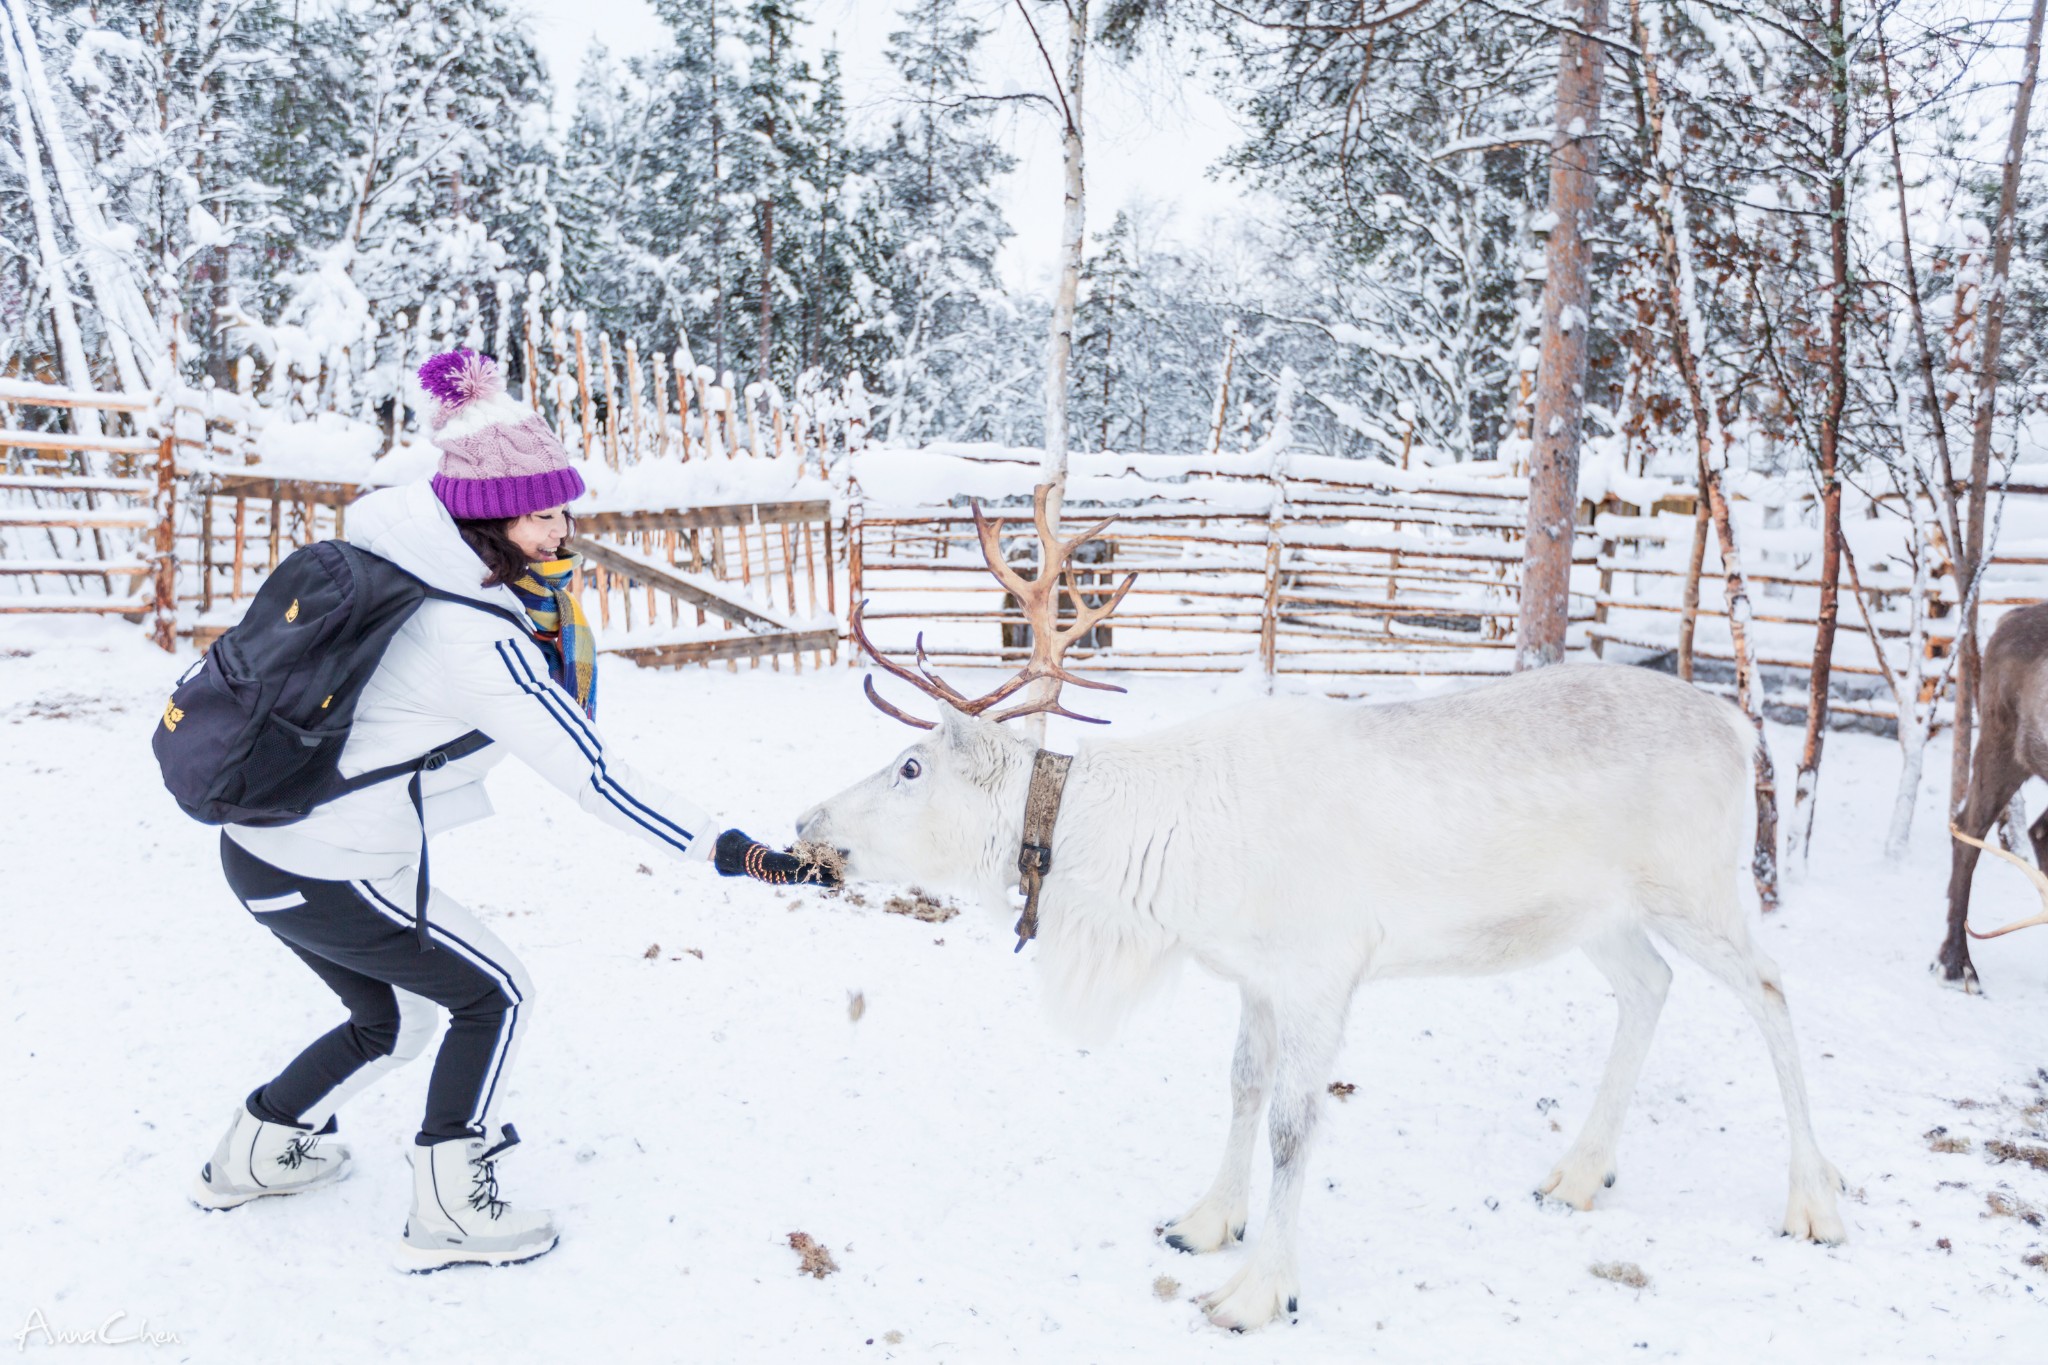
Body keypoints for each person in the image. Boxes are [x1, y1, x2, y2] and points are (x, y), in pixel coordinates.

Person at [192, 349, 833, 1271]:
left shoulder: (404, 558)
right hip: (329, 868)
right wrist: (736, 852)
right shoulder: (471, 634)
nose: (562, 528)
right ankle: (451, 1207)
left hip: (264, 852)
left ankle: (253, 1151)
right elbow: (595, 778)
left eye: (564, 505)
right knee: (495, 994)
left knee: (396, 1020)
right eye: (541, 511)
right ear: (488, 518)